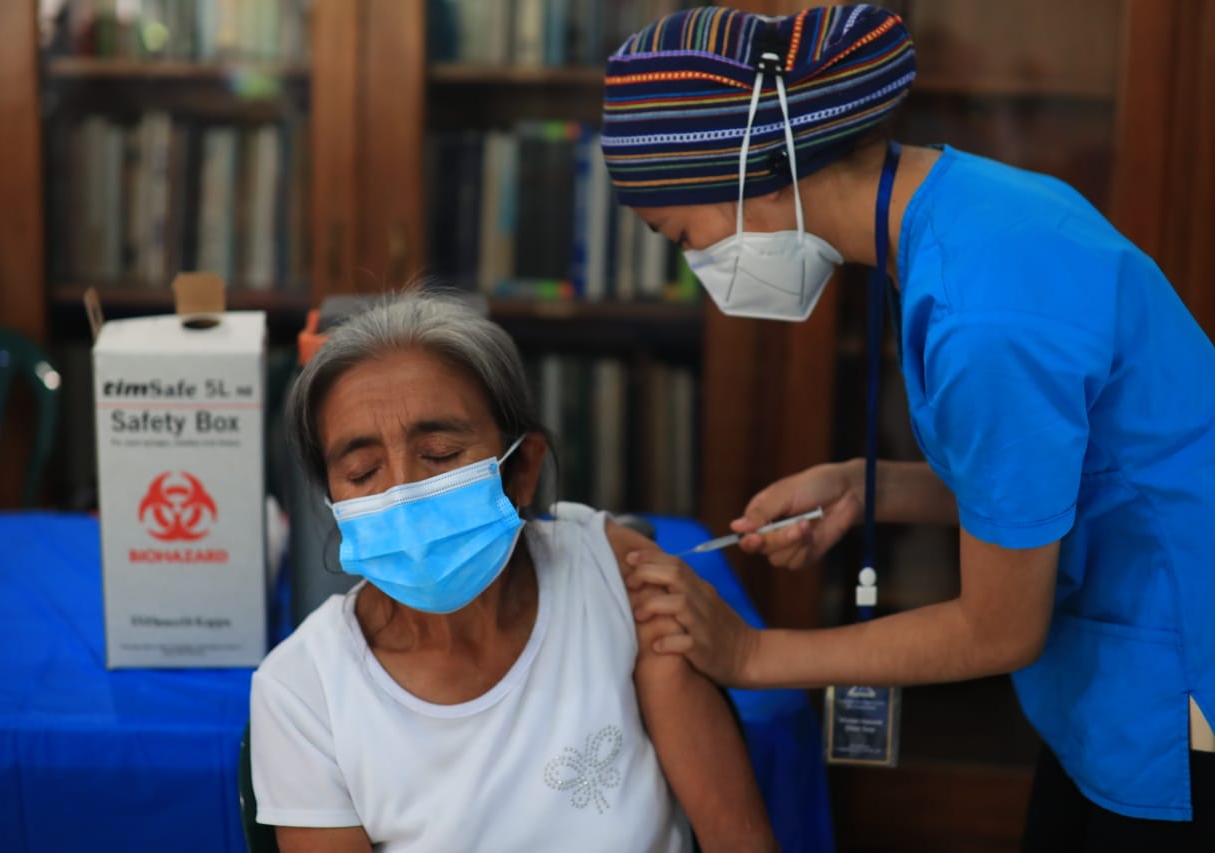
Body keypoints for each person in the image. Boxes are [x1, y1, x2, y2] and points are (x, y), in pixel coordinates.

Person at [600, 4, 1214, 849]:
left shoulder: (982, 318)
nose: (696, 260)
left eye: (681, 234)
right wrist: (864, 485)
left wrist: (752, 656)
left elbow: (999, 627)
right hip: (1110, 668)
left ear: (759, 171)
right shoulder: (967, 203)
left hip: (1175, 681)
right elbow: (1052, 476)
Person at [249, 291, 776, 852]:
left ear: (522, 469)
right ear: (332, 500)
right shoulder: (304, 691)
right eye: (362, 471)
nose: (402, 491)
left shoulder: (618, 580)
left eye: (442, 454)